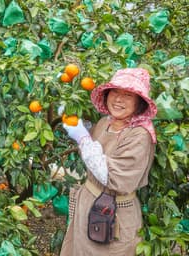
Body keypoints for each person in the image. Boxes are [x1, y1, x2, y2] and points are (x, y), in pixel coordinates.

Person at [59, 68, 157, 255]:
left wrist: (82, 138)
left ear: (139, 103)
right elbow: (96, 149)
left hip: (112, 216)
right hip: (88, 206)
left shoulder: (139, 135)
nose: (118, 99)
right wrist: (76, 122)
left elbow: (111, 176)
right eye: (115, 92)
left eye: (127, 95)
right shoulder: (106, 122)